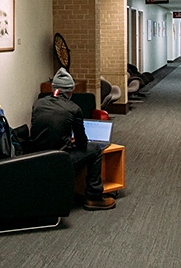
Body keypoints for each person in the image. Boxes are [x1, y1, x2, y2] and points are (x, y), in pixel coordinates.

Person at [30, 68, 116, 211]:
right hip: (59, 159)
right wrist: (72, 142)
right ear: (70, 91)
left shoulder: (38, 103)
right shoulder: (73, 108)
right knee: (94, 150)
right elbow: (82, 142)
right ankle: (93, 197)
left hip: (37, 157)